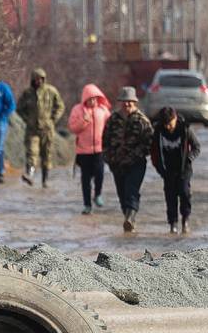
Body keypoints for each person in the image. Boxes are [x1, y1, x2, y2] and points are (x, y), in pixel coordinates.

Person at [102, 86, 153, 233]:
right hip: (117, 163)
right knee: (122, 193)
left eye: (130, 102)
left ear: (135, 102)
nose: (127, 105)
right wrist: (108, 157)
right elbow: (105, 140)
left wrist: (136, 154)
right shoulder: (113, 119)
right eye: (124, 102)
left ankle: (130, 218)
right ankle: (128, 218)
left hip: (136, 163)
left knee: (132, 190)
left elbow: (149, 143)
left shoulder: (142, 120)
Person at [151, 106, 201, 235]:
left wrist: (190, 158)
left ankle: (185, 221)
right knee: (170, 197)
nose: (168, 127)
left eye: (170, 123)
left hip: (184, 169)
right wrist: (159, 168)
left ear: (175, 118)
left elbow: (196, 147)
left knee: (184, 193)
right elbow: (154, 151)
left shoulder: (185, 129)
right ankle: (172, 224)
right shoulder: (159, 130)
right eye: (165, 124)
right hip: (167, 170)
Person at [17, 68, 65, 187]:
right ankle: (30, 175)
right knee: (32, 152)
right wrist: (27, 119)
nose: (38, 81)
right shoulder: (27, 93)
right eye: (36, 79)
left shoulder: (51, 91)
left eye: (41, 79)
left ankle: (45, 180)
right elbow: (19, 108)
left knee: (46, 154)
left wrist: (53, 119)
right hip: (32, 128)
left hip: (47, 129)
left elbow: (60, 106)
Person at [67, 83, 111, 214]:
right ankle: (87, 205)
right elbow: (72, 127)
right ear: (85, 99)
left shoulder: (103, 110)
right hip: (83, 151)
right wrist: (83, 121)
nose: (93, 101)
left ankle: (97, 194)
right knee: (85, 179)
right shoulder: (77, 110)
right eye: (90, 98)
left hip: (99, 150)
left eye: (95, 98)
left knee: (100, 174)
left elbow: (110, 125)